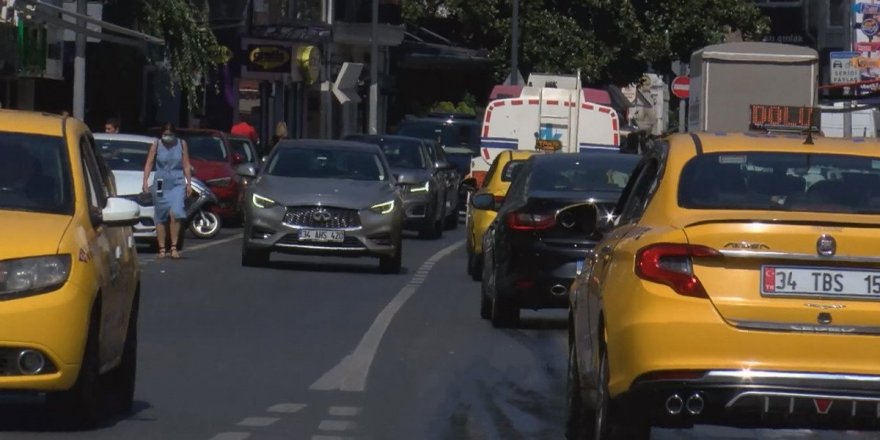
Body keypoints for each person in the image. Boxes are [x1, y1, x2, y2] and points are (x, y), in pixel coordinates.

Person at [142, 123, 193, 259]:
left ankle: (174, 247)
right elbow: (149, 163)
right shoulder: (156, 144)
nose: (167, 137)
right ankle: (162, 248)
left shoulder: (181, 144)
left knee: (176, 212)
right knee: (161, 214)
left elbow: (186, 165)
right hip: (160, 182)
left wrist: (188, 183)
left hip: (177, 182)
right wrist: (145, 181)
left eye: (170, 134)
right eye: (165, 134)